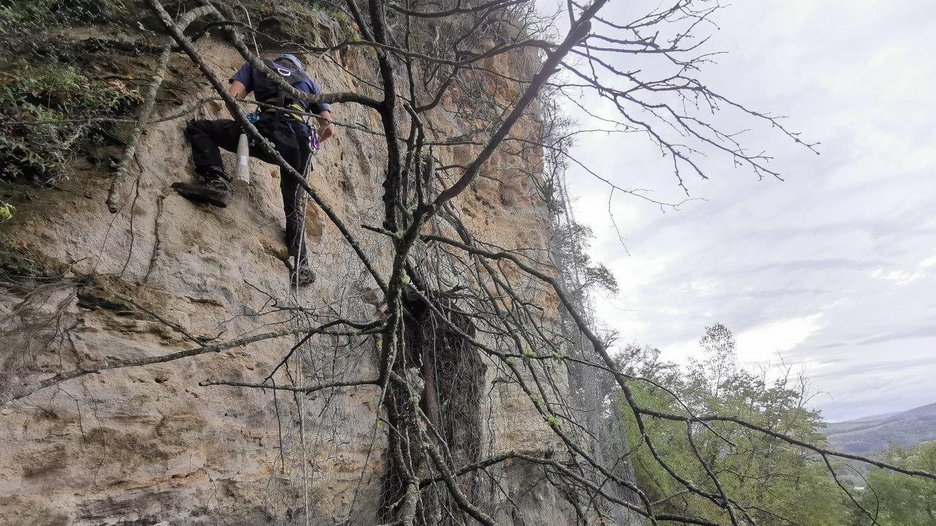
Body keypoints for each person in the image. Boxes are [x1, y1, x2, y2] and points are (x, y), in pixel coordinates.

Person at [172, 53, 334, 286]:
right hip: (299, 146)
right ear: (297, 68)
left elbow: (233, 96)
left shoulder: (257, 65)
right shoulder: (309, 82)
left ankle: (216, 181)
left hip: (264, 131)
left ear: (278, 62)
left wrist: (247, 123)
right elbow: (328, 129)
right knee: (293, 206)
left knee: (200, 128)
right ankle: (302, 267)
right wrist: (313, 145)